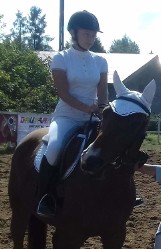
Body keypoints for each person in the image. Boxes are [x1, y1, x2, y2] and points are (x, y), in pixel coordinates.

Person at [36, 10, 108, 218]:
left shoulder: (100, 61)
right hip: (67, 116)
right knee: (55, 149)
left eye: (94, 34)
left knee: (115, 145)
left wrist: (102, 108)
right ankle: (47, 196)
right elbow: (63, 92)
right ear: (74, 33)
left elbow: (102, 92)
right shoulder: (61, 58)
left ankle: (122, 193)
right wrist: (86, 108)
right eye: (87, 33)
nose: (91, 38)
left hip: (94, 116)